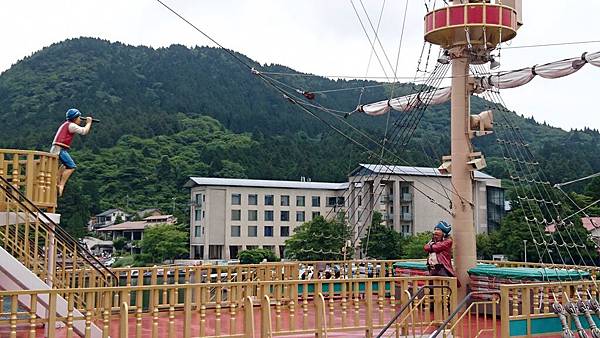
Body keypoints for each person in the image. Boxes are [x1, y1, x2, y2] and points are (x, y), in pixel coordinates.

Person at [50, 108, 93, 196]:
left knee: (65, 164)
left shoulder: (66, 124)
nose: (80, 120)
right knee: (71, 166)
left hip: (58, 148)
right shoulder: (71, 125)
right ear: (75, 118)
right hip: (60, 149)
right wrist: (89, 123)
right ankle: (61, 185)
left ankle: (57, 178)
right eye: (79, 118)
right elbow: (84, 131)